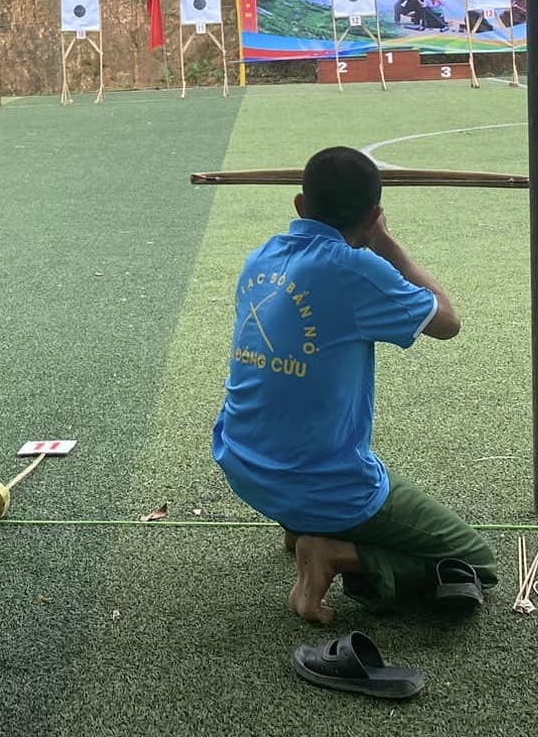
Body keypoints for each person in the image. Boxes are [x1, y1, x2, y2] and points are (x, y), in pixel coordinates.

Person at [211, 146, 496, 624]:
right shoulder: (356, 269)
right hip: (319, 486)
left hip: (242, 462)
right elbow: (447, 320)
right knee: (475, 561)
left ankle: (295, 526)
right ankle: (334, 553)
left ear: (301, 205)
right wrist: (387, 244)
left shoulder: (262, 256)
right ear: (373, 216)